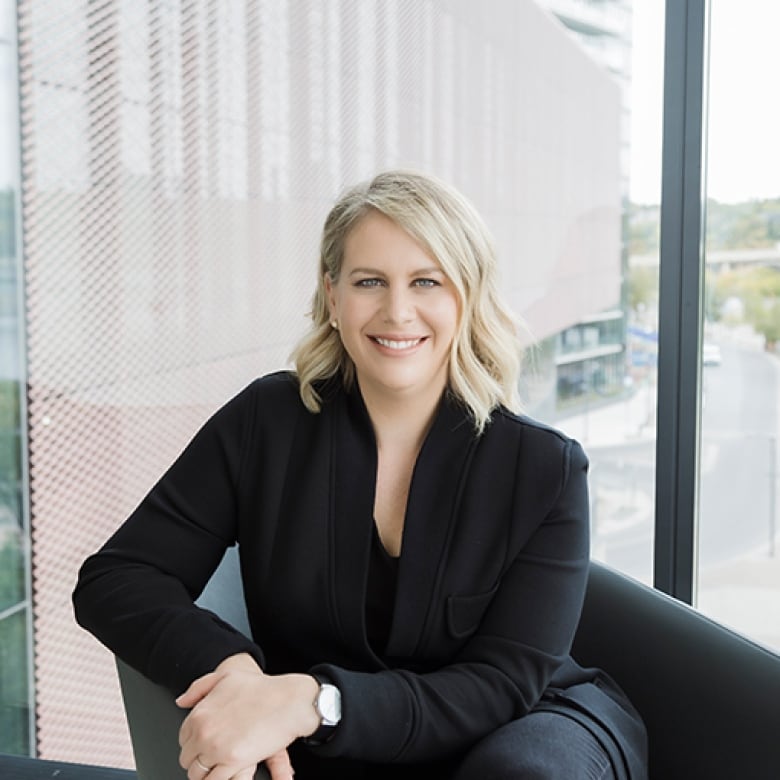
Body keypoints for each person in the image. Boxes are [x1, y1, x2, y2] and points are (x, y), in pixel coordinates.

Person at [73, 170, 647, 780]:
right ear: (333, 294)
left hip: (524, 726)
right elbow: (117, 578)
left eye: (426, 281)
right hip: (333, 739)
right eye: (369, 281)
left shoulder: (543, 468)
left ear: (466, 295)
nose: (397, 311)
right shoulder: (265, 423)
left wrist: (315, 702)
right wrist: (233, 669)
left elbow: (500, 684)